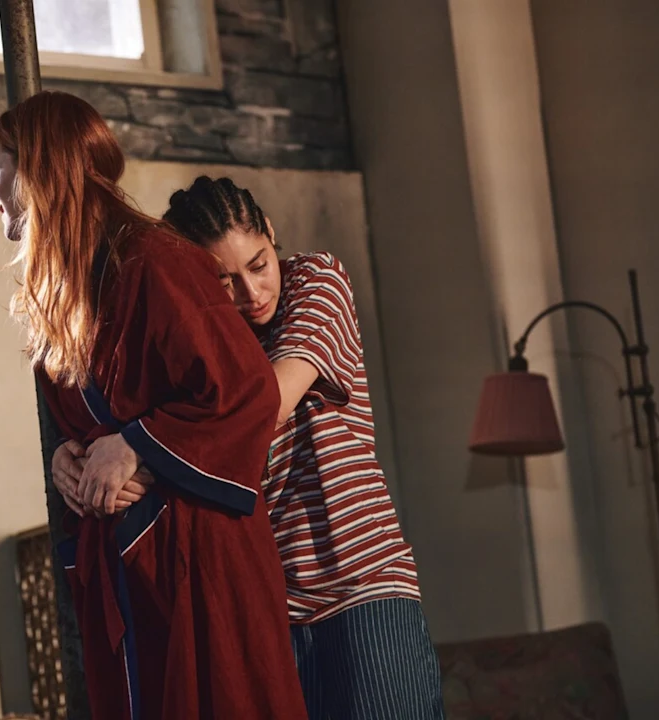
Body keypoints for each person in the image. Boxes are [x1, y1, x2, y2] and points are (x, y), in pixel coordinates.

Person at [0, 93, 308, 720]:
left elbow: (246, 391)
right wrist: (68, 459)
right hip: (130, 559)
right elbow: (89, 420)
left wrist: (134, 447)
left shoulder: (155, 260)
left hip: (199, 560)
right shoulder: (70, 289)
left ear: (39, 169)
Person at [161, 177, 446, 719]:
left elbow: (265, 407)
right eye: (224, 280)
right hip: (274, 613)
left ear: (271, 235)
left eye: (258, 264)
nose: (251, 294)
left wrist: (141, 455)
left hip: (364, 588)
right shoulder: (207, 343)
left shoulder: (316, 281)